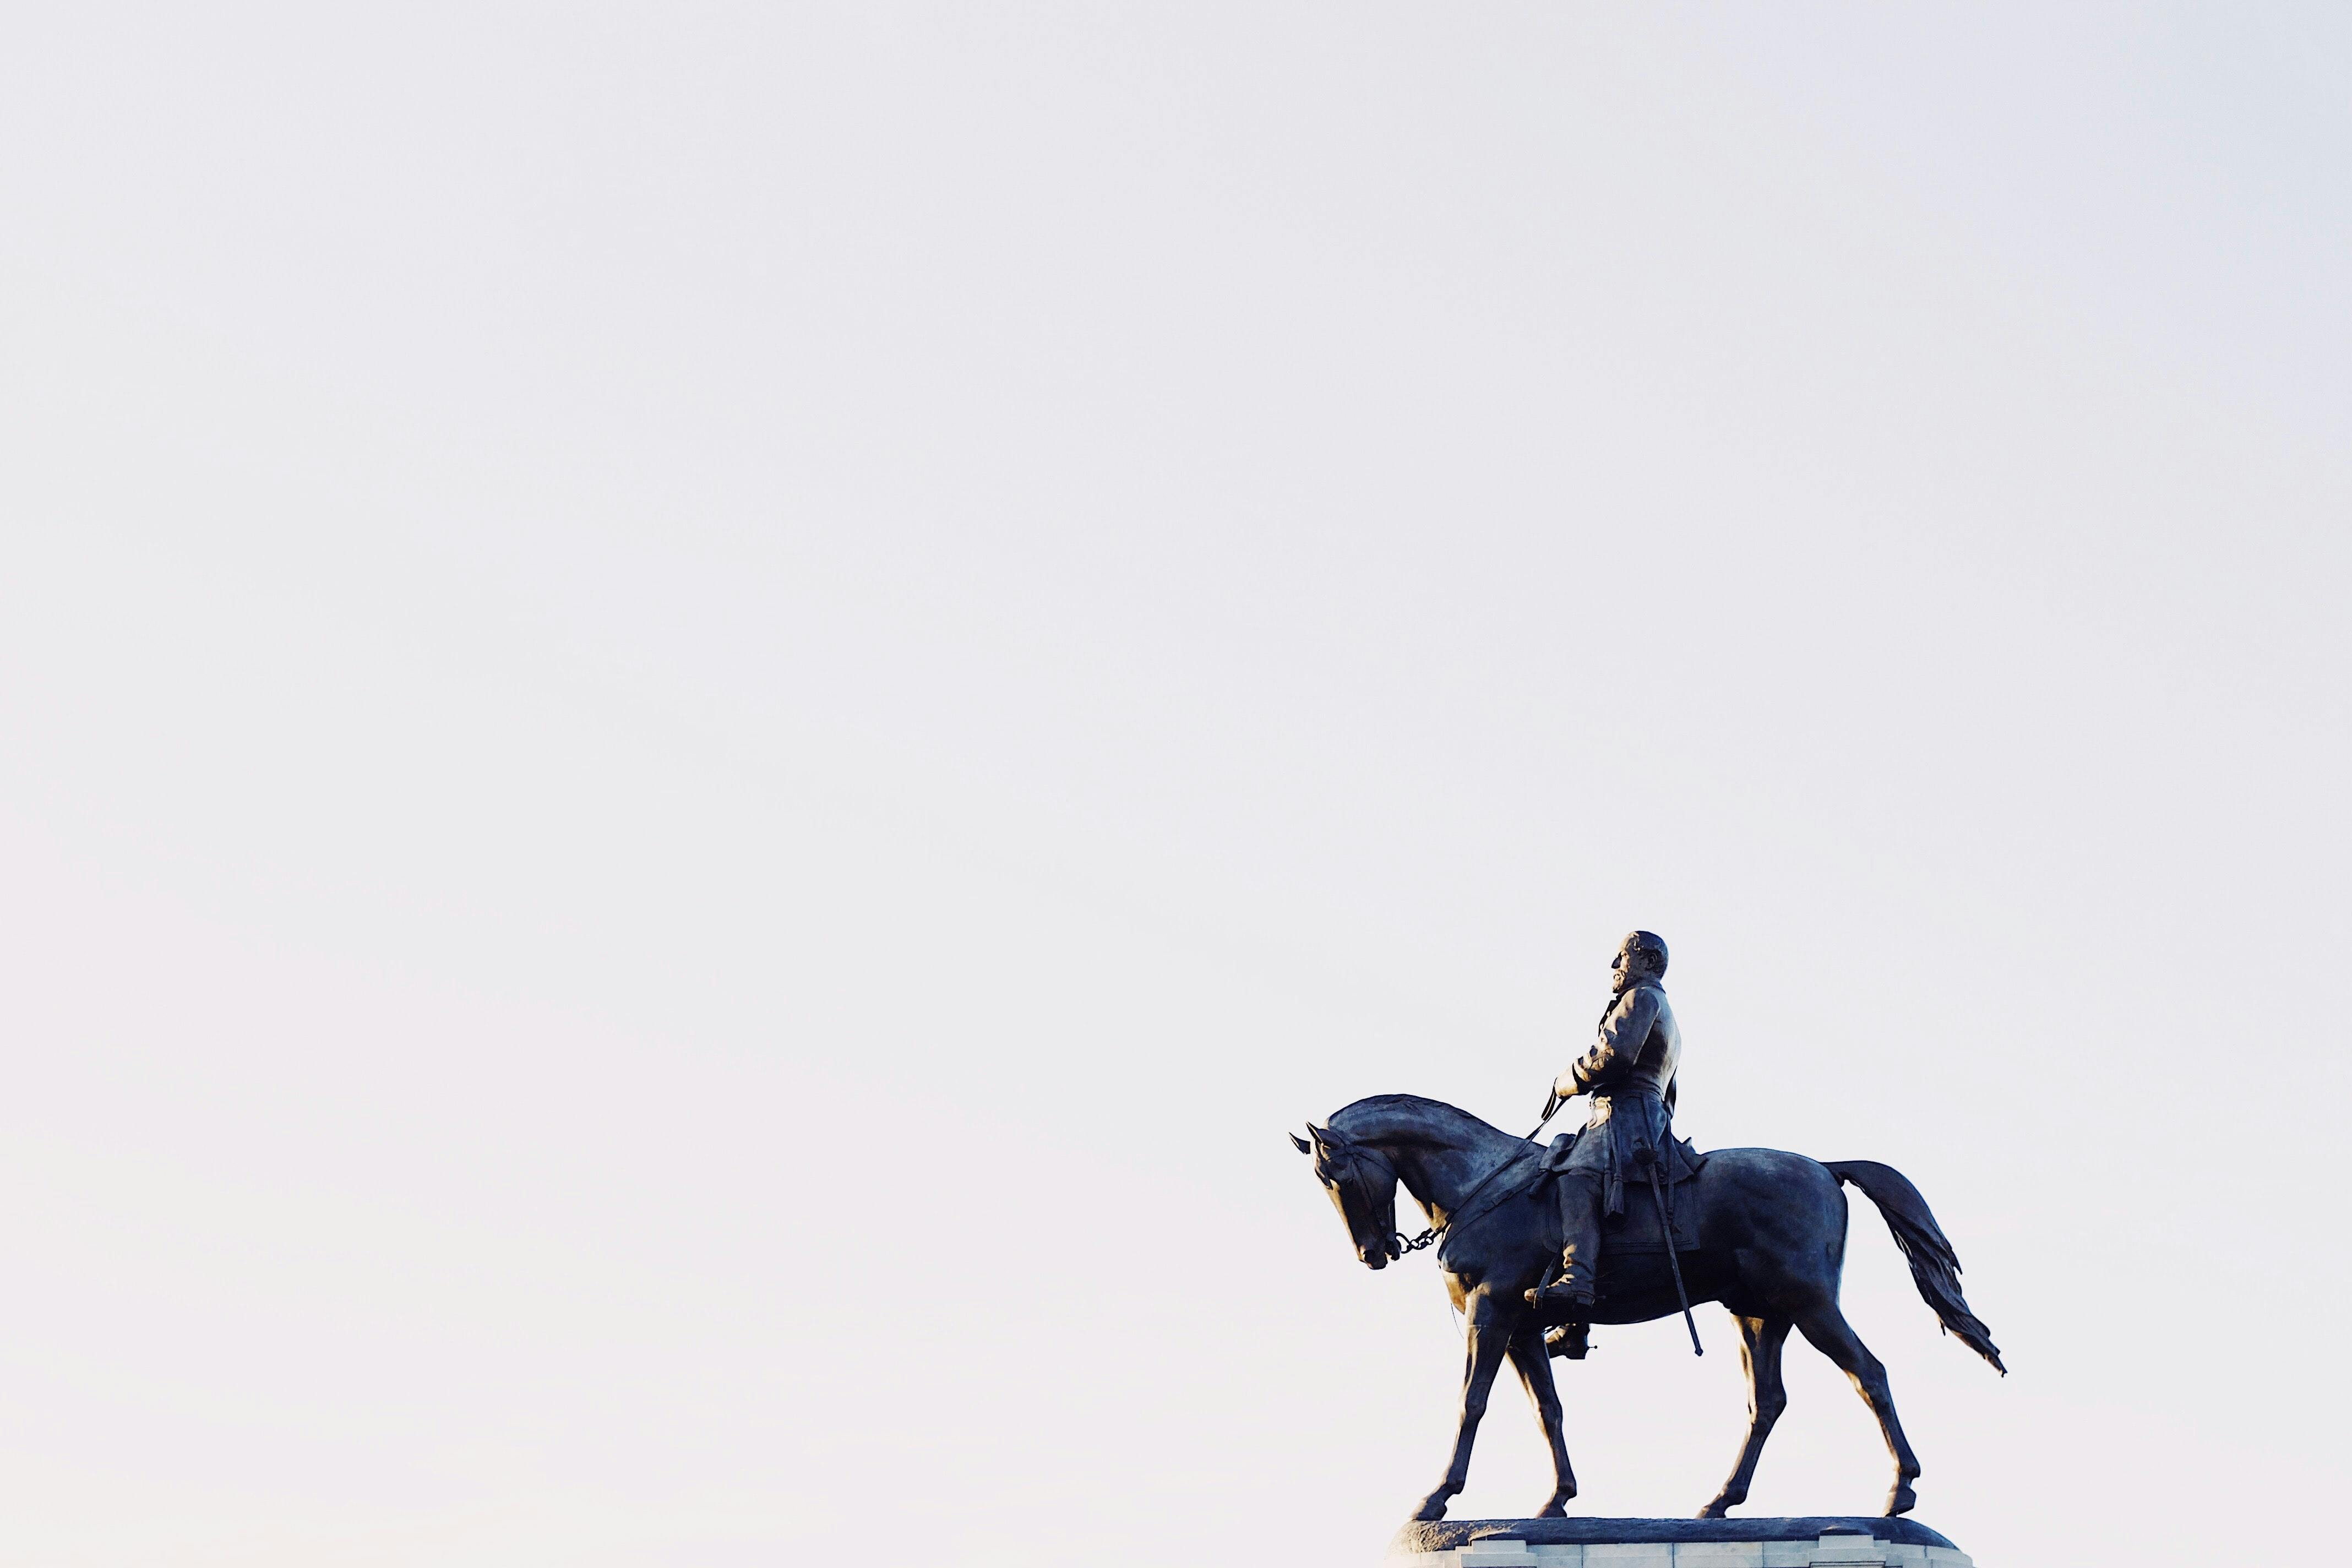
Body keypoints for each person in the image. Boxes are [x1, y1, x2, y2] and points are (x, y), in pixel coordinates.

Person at [1526, 930, 1684, 1320]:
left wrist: (1571, 1078)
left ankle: (1578, 1280)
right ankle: (1576, 1323)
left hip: (1626, 1117)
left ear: (1647, 961)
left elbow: (1614, 1056)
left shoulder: (1642, 998)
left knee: (1576, 1175)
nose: (1614, 966)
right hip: (1640, 1114)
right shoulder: (1660, 1007)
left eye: (1621, 957)